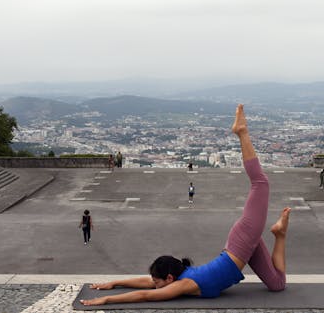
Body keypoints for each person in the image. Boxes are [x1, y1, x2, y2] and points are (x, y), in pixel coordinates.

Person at [80, 105, 290, 306]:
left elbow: (146, 294)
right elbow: (147, 285)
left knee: (260, 183)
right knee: (277, 285)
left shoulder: (185, 284)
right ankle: (279, 234)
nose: (155, 285)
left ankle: (242, 132)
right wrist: (115, 283)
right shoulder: (180, 280)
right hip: (242, 247)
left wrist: (107, 299)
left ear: (169, 278)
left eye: (157, 282)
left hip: (242, 240)